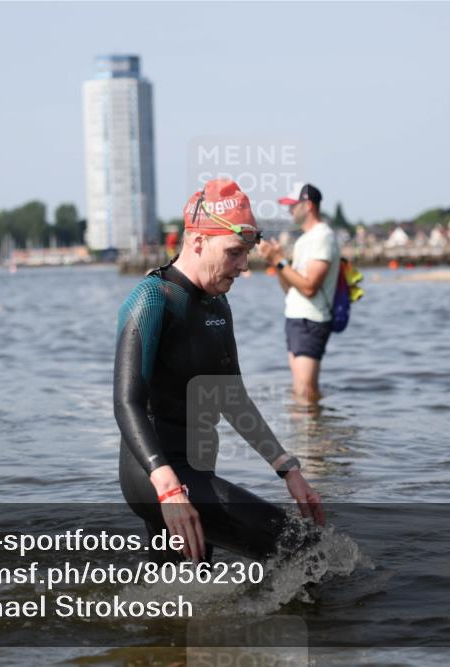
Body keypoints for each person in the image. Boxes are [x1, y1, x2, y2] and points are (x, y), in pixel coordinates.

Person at [115, 179, 325, 565]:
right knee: (299, 549)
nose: (244, 266)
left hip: (193, 472)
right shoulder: (152, 299)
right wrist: (168, 488)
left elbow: (232, 397)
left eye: (246, 253)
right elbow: (126, 402)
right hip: (153, 474)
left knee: (183, 586)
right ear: (197, 242)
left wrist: (287, 469)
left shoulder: (217, 304)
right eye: (234, 253)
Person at [257, 183, 339, 403]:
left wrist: (279, 261)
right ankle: (306, 434)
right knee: (299, 389)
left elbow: (310, 287)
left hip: (311, 319)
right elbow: (290, 289)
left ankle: (316, 434)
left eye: (293, 205)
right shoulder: (304, 240)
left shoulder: (322, 236)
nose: (289, 210)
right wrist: (276, 263)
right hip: (297, 318)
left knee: (305, 389)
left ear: (308, 205)